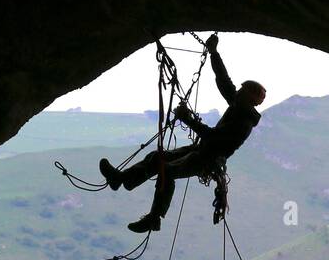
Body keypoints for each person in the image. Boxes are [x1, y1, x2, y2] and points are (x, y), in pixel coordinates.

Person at [99, 34, 266, 233]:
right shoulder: (239, 105)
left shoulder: (243, 122)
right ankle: (122, 179)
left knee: (167, 171)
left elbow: (214, 137)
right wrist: (214, 53)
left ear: (248, 97)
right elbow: (223, 81)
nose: (236, 92)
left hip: (208, 159)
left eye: (241, 91)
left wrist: (187, 119)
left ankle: (155, 217)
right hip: (202, 150)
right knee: (156, 157)